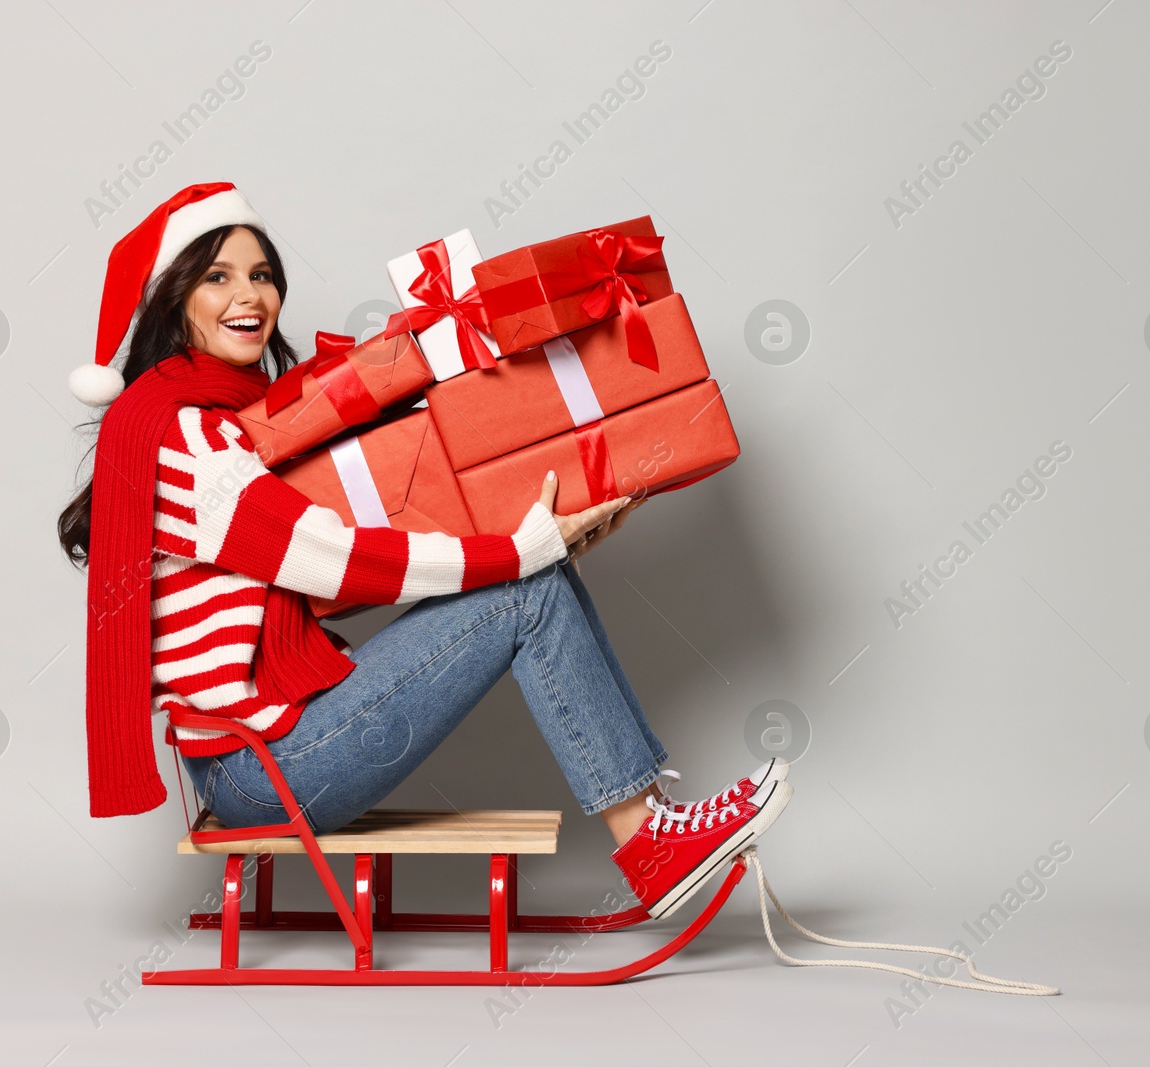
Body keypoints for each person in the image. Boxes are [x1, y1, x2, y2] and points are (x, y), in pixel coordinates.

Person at [57, 183, 790, 920]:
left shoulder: (204, 418)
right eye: (216, 276)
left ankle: (654, 820)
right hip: (260, 771)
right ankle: (650, 841)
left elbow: (325, 575)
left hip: (256, 756)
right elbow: (333, 561)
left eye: (261, 274)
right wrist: (517, 550)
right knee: (523, 586)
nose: (248, 294)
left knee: (532, 569)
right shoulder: (190, 439)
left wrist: (533, 538)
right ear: (172, 299)